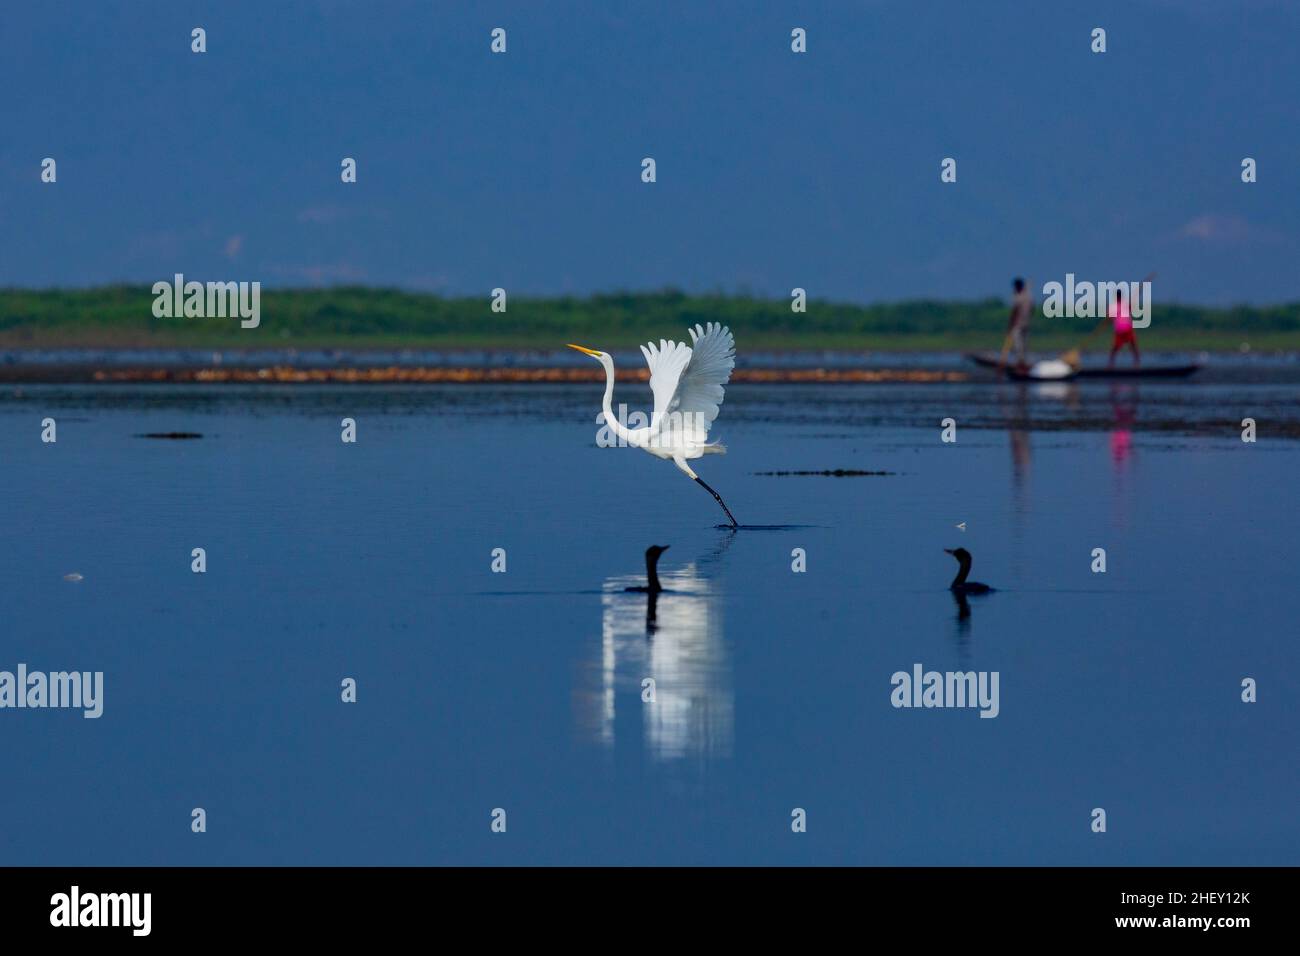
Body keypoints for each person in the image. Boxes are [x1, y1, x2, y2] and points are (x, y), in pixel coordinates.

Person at [1004, 277, 1033, 369]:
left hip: (1018, 325)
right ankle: (1023, 362)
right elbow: (1032, 309)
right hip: (1026, 324)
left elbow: (1014, 312)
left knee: (1018, 345)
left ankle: (1021, 364)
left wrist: (1010, 326)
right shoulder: (1028, 296)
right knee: (1024, 345)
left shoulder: (1018, 297)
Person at [1108, 287, 1140, 368]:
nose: (1118, 297)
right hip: (1119, 330)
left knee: (1133, 346)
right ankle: (1111, 365)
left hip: (1127, 328)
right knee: (1115, 348)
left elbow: (1130, 308)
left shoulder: (1125, 304)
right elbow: (1110, 318)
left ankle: (1136, 364)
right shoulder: (1113, 306)